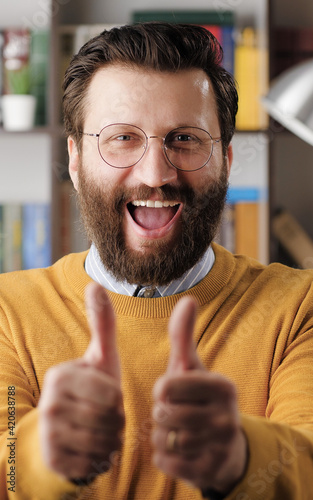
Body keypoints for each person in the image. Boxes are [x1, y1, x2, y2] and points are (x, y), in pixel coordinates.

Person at [0, 22, 312, 500]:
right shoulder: (8, 310)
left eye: (185, 138)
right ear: (76, 159)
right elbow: (8, 469)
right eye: (122, 137)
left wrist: (241, 458)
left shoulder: (299, 308)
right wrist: (42, 456)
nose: (154, 174)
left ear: (226, 159)